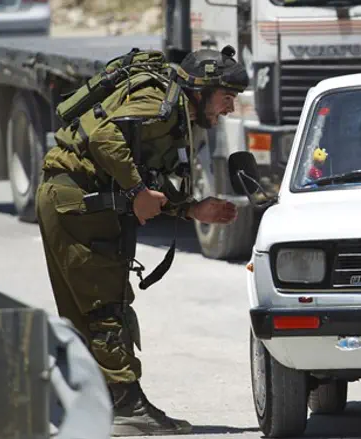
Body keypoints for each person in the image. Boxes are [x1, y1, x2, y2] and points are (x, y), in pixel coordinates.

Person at [35, 45, 248, 435]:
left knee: (89, 313)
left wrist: (191, 210)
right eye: (227, 98)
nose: (230, 109)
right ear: (200, 90)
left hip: (77, 203)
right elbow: (102, 137)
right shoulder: (158, 103)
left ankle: (95, 404)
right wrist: (136, 192)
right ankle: (127, 406)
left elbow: (149, 180)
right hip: (77, 205)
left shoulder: (173, 114)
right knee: (104, 309)